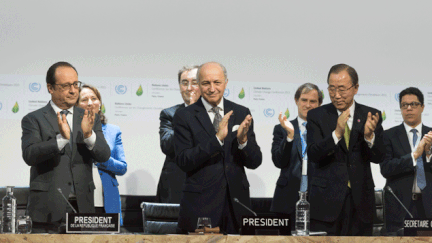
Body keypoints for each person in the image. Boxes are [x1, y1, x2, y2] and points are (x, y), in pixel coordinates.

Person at [21, 62, 111, 233]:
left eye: (75, 84)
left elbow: (104, 155)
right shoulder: (33, 119)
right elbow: (29, 155)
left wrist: (88, 136)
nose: (73, 90)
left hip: (82, 209)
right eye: (66, 86)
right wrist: (61, 140)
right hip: (46, 210)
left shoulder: (89, 118)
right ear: (50, 88)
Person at [173, 62, 262, 234]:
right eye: (206, 83)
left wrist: (243, 141)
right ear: (198, 84)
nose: (212, 88)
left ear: (226, 82)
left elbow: (255, 161)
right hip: (200, 207)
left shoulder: (241, 112)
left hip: (237, 206)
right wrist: (217, 139)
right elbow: (183, 160)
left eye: (217, 82)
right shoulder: (184, 116)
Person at [306, 63, 385, 236]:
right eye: (332, 89)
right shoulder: (316, 116)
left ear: (356, 88)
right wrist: (336, 134)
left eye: (342, 89)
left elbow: (380, 156)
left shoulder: (371, 115)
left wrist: (369, 137)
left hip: (361, 201)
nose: (336, 95)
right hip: (326, 202)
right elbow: (313, 154)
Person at [270, 83, 322, 230]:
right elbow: (278, 161)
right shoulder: (282, 128)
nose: (308, 105)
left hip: (318, 200)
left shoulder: (325, 131)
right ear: (296, 101)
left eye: (313, 101)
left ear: (319, 104)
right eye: (304, 100)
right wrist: (290, 137)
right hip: (287, 199)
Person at [380, 87, 432, 234]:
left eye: (414, 104)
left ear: (422, 107)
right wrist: (415, 155)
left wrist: (428, 153)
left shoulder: (431, 134)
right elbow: (386, 169)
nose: (409, 108)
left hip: (428, 204)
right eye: (404, 105)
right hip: (400, 204)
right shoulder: (388, 135)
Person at [77, 84, 127, 226]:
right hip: (79, 196)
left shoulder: (113, 130)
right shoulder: (70, 130)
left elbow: (122, 167)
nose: (90, 103)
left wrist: (101, 160)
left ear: (100, 103)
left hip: (107, 196)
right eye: (84, 99)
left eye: (94, 98)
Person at [156, 65, 201, 203]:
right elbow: (167, 146)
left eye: (194, 82)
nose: (189, 88)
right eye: (184, 83)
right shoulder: (169, 114)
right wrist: (189, 116)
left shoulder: (215, 114)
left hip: (208, 184)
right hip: (176, 185)